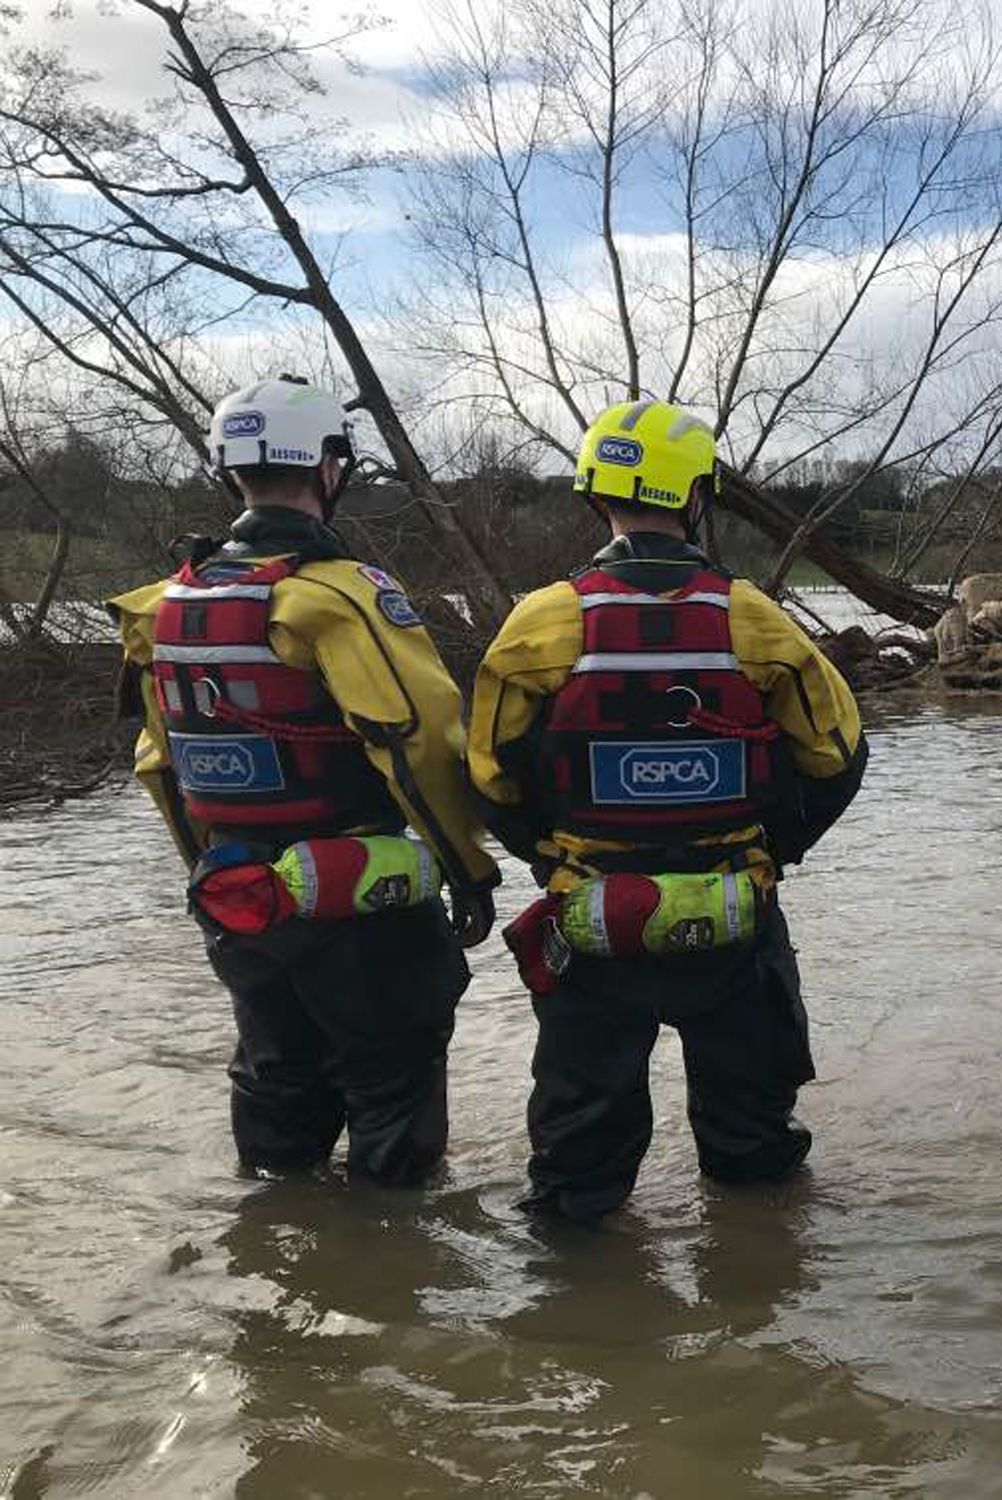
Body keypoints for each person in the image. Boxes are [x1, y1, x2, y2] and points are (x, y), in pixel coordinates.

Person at [470, 398, 867, 1222]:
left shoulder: (541, 621)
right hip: (734, 922)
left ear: (594, 495)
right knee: (755, 1159)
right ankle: (760, 1308)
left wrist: (550, 861)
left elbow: (490, 777)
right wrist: (775, 850)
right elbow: (837, 758)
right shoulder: (752, 616)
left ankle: (576, 1322)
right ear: (697, 497)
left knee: (574, 1178)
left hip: (592, 927)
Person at [105, 375, 499, 1186]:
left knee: (276, 1085)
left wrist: (211, 886)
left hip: (243, 899)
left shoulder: (163, 606)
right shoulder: (337, 597)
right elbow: (417, 744)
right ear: (328, 467)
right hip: (361, 908)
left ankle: (277, 1264)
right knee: (393, 1093)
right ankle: (392, 1269)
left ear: (231, 469)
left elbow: (160, 765)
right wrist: (471, 871)